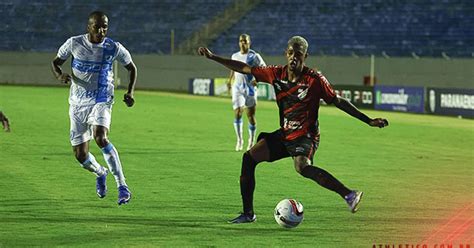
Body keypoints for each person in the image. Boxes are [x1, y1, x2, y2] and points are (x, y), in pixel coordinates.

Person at [198, 36, 389, 223]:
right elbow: (244, 68)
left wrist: (369, 120)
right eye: (290, 53)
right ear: (286, 54)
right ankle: (248, 214)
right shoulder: (276, 74)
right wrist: (213, 57)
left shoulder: (315, 79)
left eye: (298, 54)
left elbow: (338, 101)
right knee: (249, 158)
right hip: (286, 134)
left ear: (305, 56)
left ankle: (349, 194)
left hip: (306, 136)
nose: (293, 57)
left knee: (302, 167)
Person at [51, 11, 137, 205]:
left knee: (100, 137)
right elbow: (55, 63)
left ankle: (122, 186)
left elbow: (132, 68)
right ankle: (100, 172)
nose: (101, 31)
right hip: (77, 103)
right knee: (80, 155)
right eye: (97, 27)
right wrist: (59, 76)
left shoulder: (113, 47)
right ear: (88, 27)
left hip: (102, 98)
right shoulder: (74, 43)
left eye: (105, 27)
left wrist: (130, 92)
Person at [227, 34, 266, 151]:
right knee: (238, 112)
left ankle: (251, 140)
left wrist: (257, 79)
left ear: (249, 42)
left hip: (250, 88)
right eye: (240, 41)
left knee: (250, 116)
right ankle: (239, 140)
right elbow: (233, 69)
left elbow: (264, 68)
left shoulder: (254, 56)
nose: (242, 43)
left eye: (245, 41)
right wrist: (229, 81)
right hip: (237, 87)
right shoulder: (234, 56)